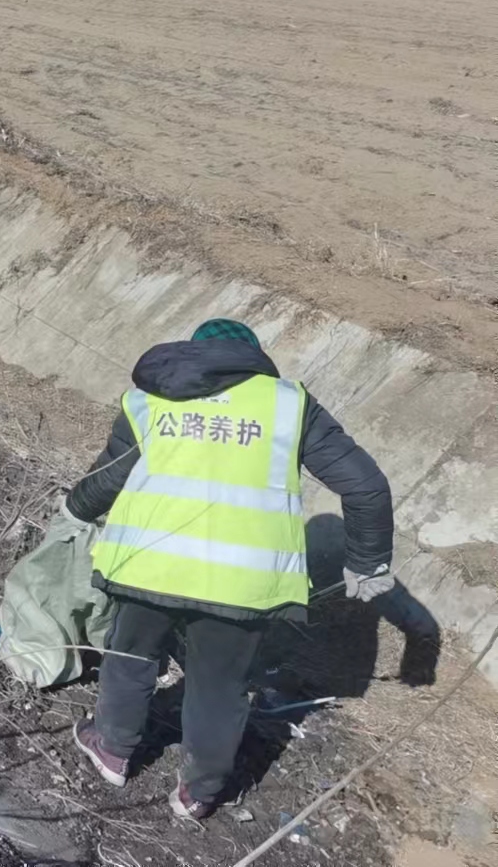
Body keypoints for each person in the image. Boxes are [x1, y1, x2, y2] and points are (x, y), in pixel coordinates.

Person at [65, 318, 393, 820]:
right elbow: (365, 485)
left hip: (149, 561)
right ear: (254, 357)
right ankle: (200, 791)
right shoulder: (288, 404)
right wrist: (368, 564)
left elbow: (111, 474)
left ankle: (112, 748)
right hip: (242, 583)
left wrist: (72, 511)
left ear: (190, 353)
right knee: (220, 683)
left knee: (130, 654)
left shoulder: (152, 397)